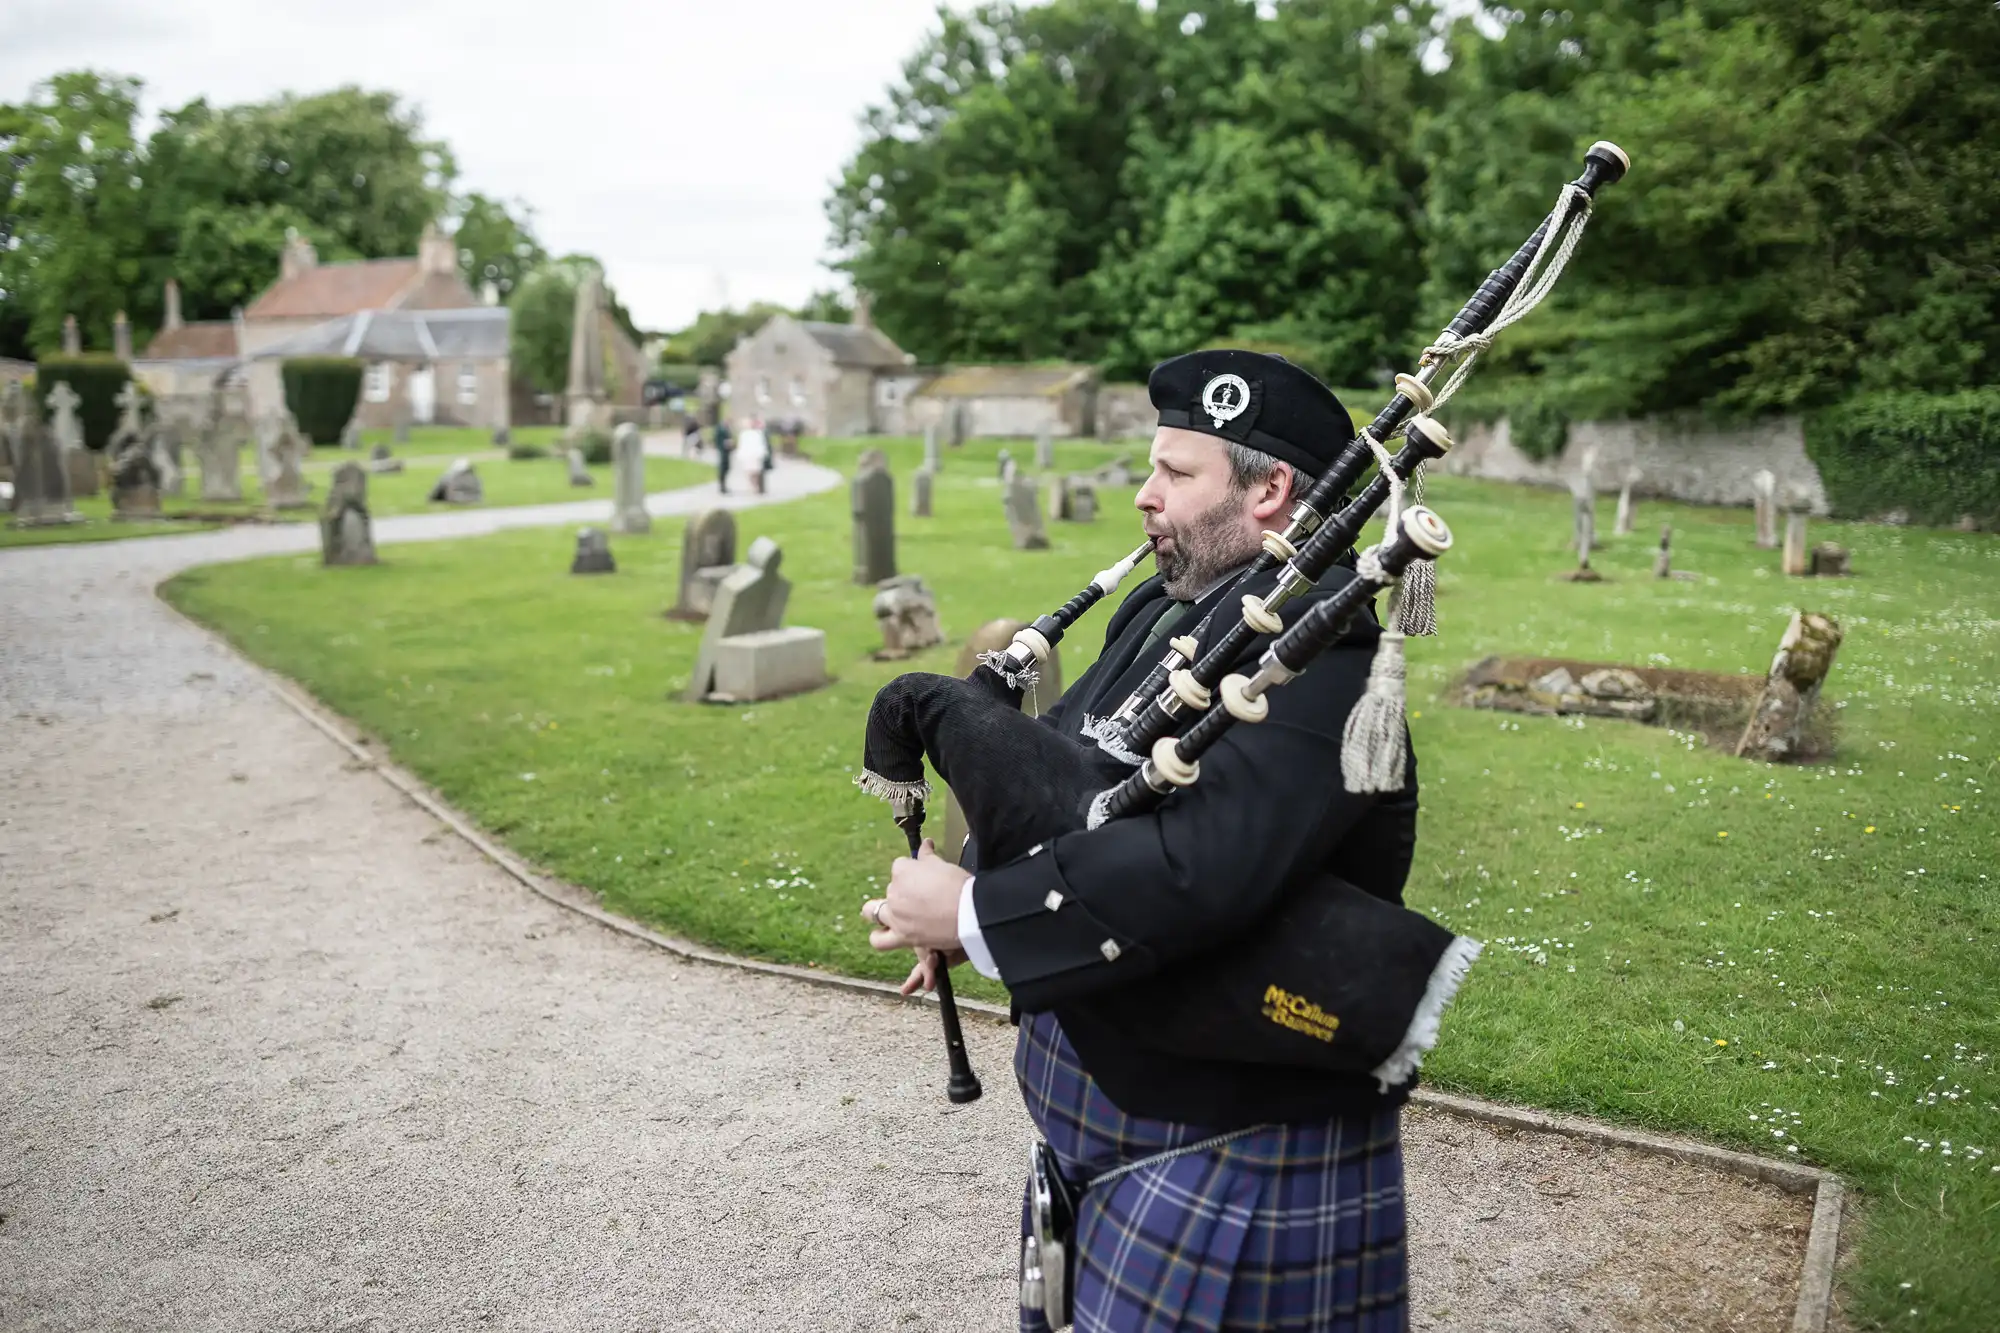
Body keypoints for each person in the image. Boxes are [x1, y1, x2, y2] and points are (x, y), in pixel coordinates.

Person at [862, 349, 1418, 1333]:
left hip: (1231, 1146)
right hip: (1118, 1124)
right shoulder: (1161, 615)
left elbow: (1197, 873)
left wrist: (972, 910)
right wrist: (980, 904)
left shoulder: (1324, 667)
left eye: (1174, 471)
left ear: (1271, 492)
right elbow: (1069, 783)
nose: (1143, 496)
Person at [713, 418, 734, 495]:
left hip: (727, 451)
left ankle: (724, 485)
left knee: (727, 467)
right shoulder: (720, 429)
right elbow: (717, 439)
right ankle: (722, 486)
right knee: (723, 467)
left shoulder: (727, 429)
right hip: (722, 450)